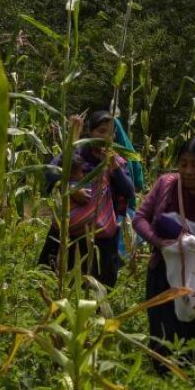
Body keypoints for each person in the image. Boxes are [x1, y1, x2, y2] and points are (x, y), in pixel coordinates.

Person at [133, 136, 195, 361]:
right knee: (166, 336)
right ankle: (165, 383)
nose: (188, 171)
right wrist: (159, 243)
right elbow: (140, 218)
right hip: (166, 271)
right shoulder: (165, 185)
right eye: (183, 164)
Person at [39, 107, 138, 287]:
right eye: (101, 131)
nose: (106, 138)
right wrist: (71, 187)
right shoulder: (76, 155)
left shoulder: (116, 161)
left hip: (100, 240)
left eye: (110, 133)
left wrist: (114, 167)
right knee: (58, 283)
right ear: (89, 132)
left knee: (98, 288)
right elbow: (51, 176)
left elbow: (129, 192)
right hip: (68, 236)